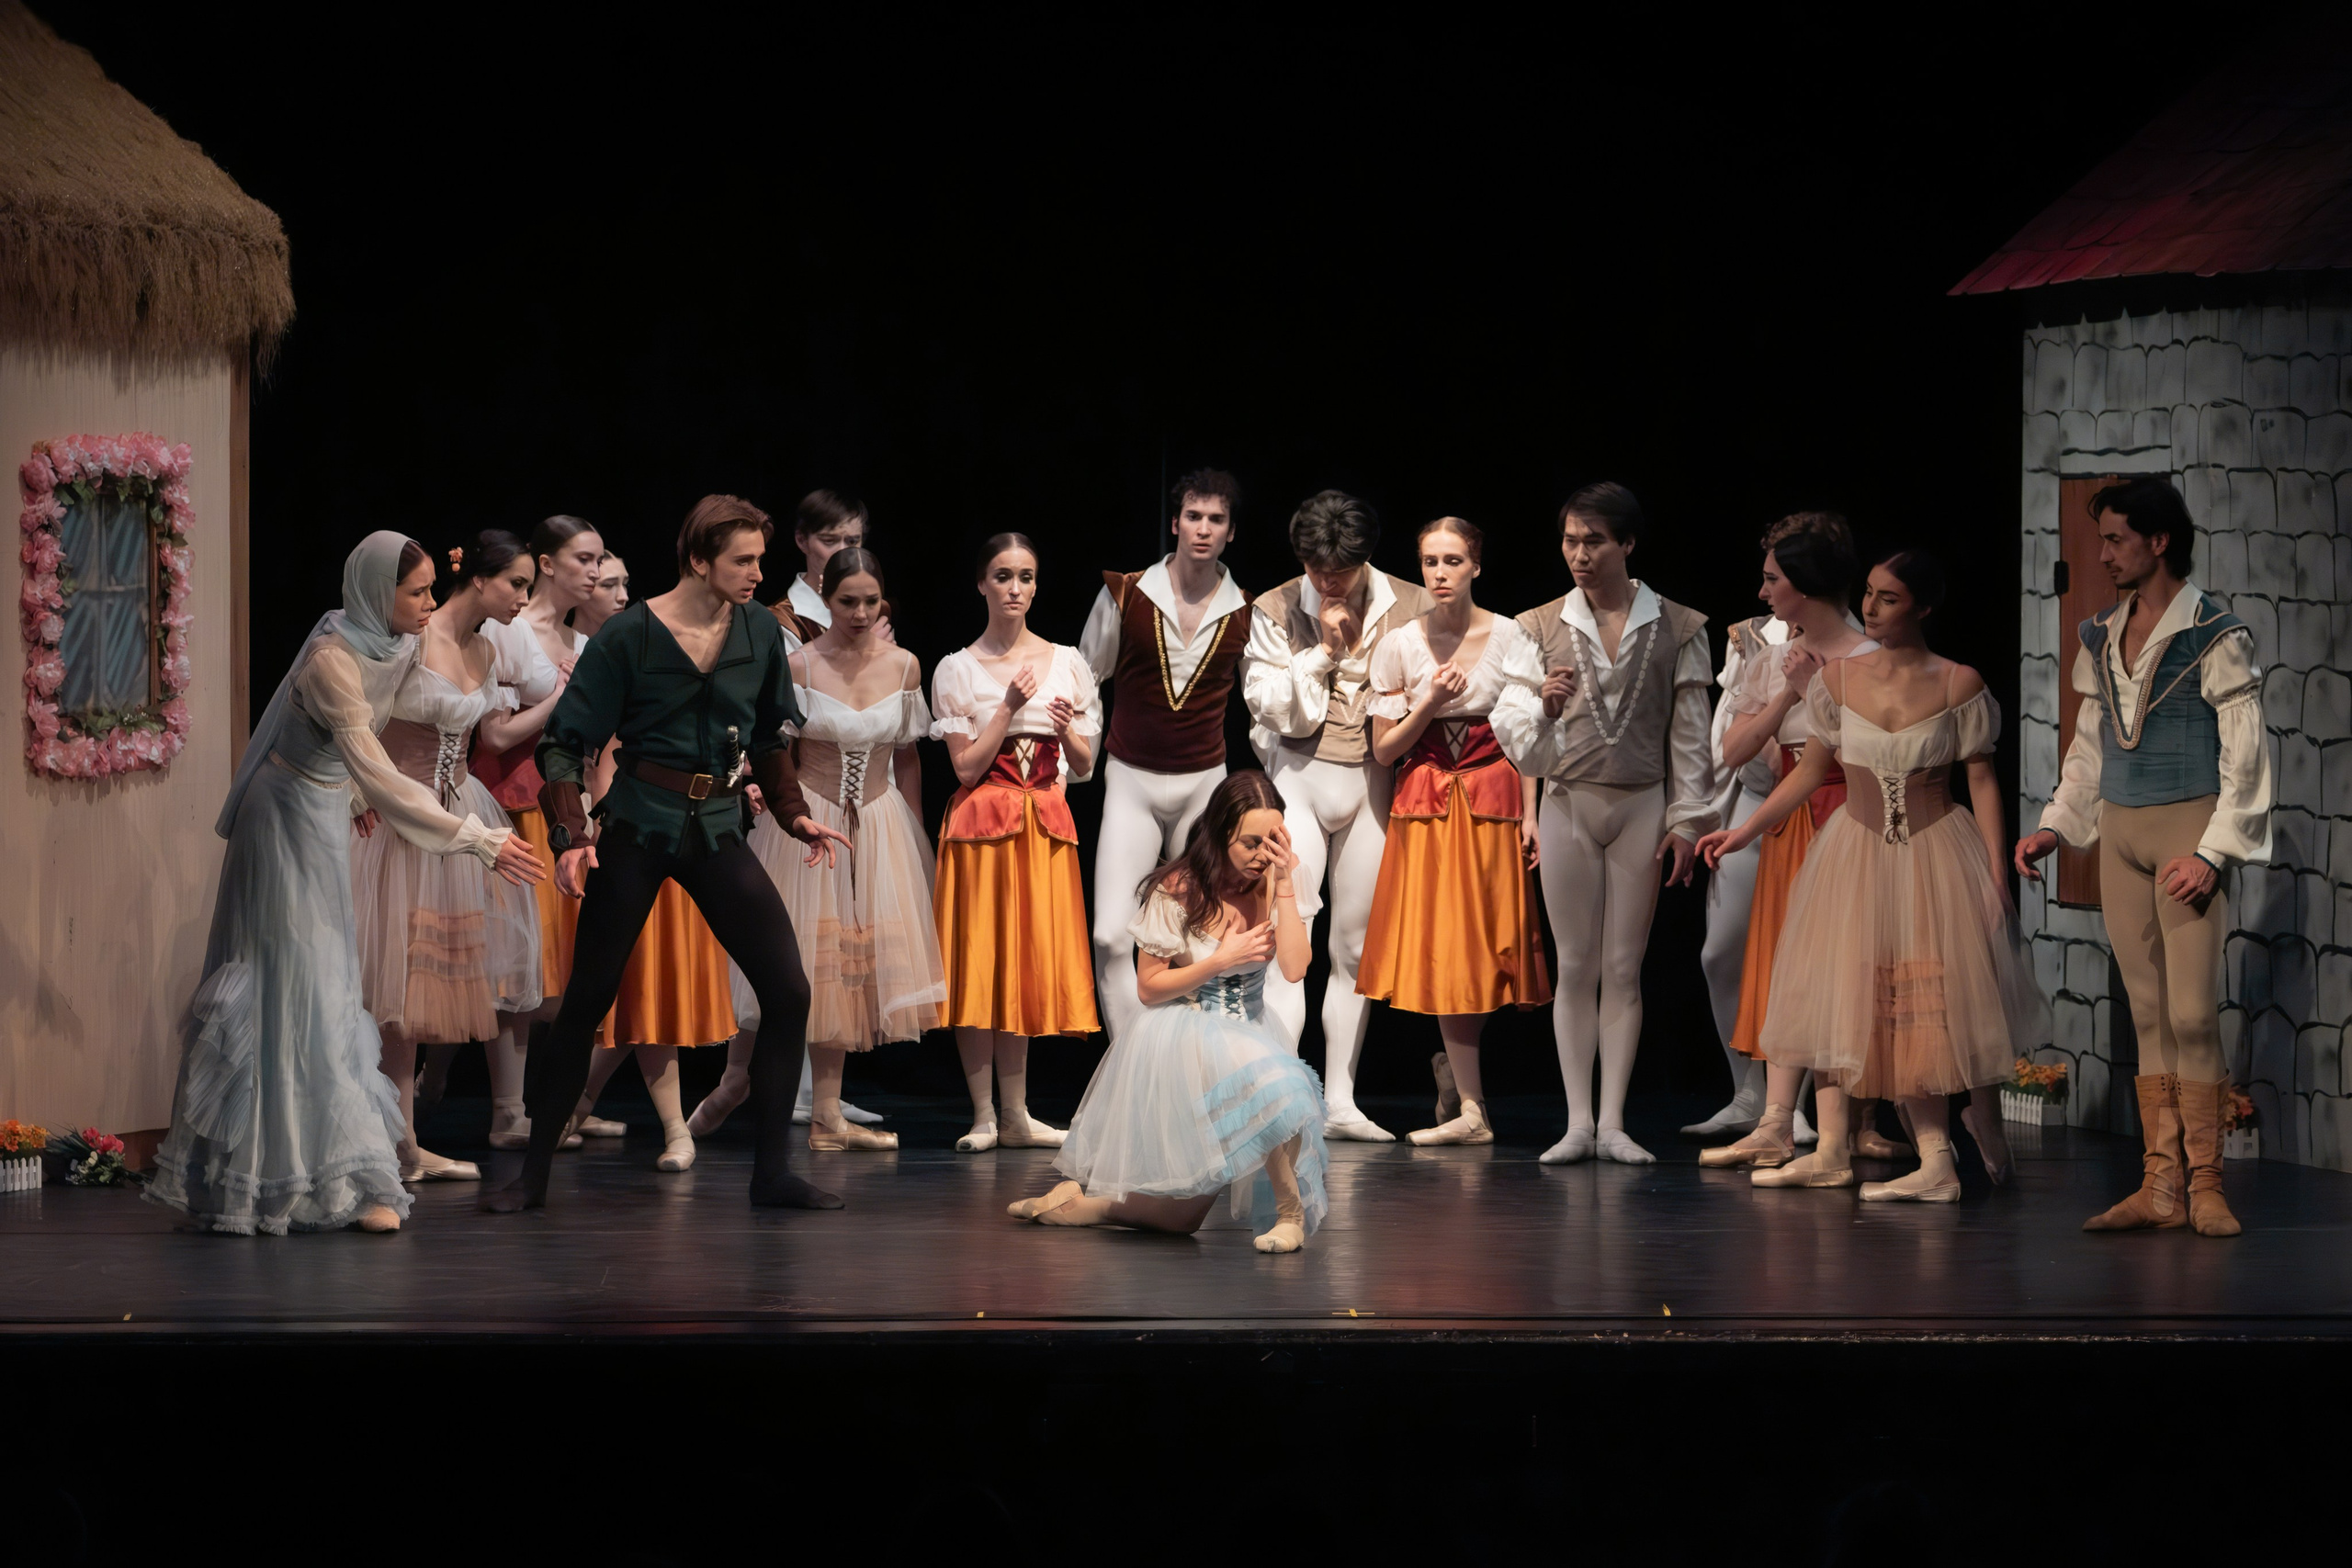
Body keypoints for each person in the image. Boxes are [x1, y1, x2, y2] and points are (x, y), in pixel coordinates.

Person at [148, 533, 545, 1235]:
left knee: (330, 982)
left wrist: (354, 802)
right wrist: (479, 839)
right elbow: (376, 763)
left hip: (328, 805)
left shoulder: (389, 645)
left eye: (429, 590)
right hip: (284, 816)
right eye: (416, 592)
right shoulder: (333, 659)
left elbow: (367, 760)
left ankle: (347, 1172)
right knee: (292, 979)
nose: (429, 604)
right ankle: (275, 1176)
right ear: (373, 593)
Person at [482, 497, 853, 1214]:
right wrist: (570, 836)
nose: (756, 573)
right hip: (640, 825)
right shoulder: (630, 635)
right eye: (742, 560)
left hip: (716, 826)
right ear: (698, 559)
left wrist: (795, 813)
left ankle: (771, 1173)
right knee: (587, 997)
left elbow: (773, 736)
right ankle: (531, 1176)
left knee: (788, 991)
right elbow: (565, 743)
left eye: (758, 559)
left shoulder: (755, 629)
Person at [1698, 551, 2038, 1199]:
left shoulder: (1956, 681)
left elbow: (1983, 778)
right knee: (1837, 990)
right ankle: (1829, 1148)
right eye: (1872, 595)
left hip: (1932, 851)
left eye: (1890, 598)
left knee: (1920, 1002)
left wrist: (1996, 871)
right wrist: (1744, 829)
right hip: (1854, 847)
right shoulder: (1839, 682)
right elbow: (1804, 771)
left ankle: (1938, 1158)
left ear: (1924, 607)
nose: (1874, 607)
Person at [2017, 478, 2272, 1237]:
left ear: (2160, 541)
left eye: (2118, 539)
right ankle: (2160, 1186)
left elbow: (2248, 757)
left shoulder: (2214, 635)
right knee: (2149, 1013)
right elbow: (2089, 750)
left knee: (2193, 1013)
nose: (2104, 555)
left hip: (2186, 831)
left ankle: (2207, 1184)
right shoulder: (2100, 634)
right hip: (2122, 837)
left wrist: (2214, 851)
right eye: (2101, 541)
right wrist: (2057, 826)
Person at [1008, 772, 1327, 1253]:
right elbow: (1150, 989)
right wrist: (1220, 960)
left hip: (1251, 1031)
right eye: (1251, 843)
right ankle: (1290, 1214)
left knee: (1180, 1220)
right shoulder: (1177, 889)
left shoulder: (1279, 878)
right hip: (1189, 1033)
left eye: (1274, 840)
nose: (1264, 853)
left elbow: (1297, 968)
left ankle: (1077, 1207)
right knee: (1274, 1089)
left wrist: (1284, 884)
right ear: (1221, 835)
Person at [1516, 484, 1716, 1165]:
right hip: (1568, 799)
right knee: (1575, 964)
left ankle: (1613, 1121)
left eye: (1594, 540)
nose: (1579, 553)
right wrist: (1541, 711)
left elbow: (1691, 737)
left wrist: (1689, 820)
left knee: (1624, 966)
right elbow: (1515, 732)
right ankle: (1576, 1120)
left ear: (1627, 544)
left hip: (1641, 803)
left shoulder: (1681, 625)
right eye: (1571, 539)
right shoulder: (1538, 623)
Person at [725, 547, 942, 1153]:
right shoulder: (800, 666)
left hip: (877, 821)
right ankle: (753, 1091)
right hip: (812, 818)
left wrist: (914, 831)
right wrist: (774, 802)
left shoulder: (904, 667)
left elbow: (907, 755)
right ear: (827, 597)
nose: (861, 612)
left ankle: (826, 1115)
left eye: (872, 601)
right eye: (848, 600)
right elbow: (777, 755)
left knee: (854, 964)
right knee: (809, 961)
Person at [351, 531, 548, 1186]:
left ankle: (404, 1141)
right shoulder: (413, 639)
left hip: (457, 810)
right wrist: (362, 797)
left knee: (419, 991)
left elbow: (488, 733)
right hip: (398, 823)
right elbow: (363, 727)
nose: (524, 597)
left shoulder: (486, 648)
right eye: (516, 583)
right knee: (390, 989)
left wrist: (556, 702)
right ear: (480, 578)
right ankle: (388, 1140)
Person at [1355, 516, 1555, 1145]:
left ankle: (1460, 1081)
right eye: (1430, 562)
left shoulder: (1510, 636)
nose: (1439, 574)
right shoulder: (1401, 644)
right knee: (1446, 952)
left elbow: (1524, 739)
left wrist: (1532, 813)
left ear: (1476, 566)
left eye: (1452, 561)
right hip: (1428, 806)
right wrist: (1430, 703)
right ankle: (1471, 1105)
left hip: (1491, 804)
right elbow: (1385, 751)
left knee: (1487, 951)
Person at [1241, 490, 1432, 1140]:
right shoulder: (1273, 607)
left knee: (1353, 945)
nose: (1326, 581)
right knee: (1288, 944)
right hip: (1299, 774)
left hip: (1373, 781)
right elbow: (1273, 707)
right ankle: (1282, 1091)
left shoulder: (1411, 605)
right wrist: (1322, 650)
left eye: (1340, 570)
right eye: (1316, 567)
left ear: (1366, 559)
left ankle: (1343, 1100)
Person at [1695, 517, 1882, 1171]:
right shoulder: (1769, 656)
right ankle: (1777, 1119)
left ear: (1802, 585)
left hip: (1846, 812)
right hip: (1785, 813)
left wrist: (1818, 693)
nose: (1763, 589)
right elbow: (1735, 749)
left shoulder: (1870, 658)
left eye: (1774, 578)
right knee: (1781, 966)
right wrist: (1787, 693)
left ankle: (1846, 1125)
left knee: (1843, 971)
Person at [564, 551, 739, 1173]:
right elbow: (600, 754)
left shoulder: (648, 643)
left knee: (651, 986)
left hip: (675, 831)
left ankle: (587, 1105)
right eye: (606, 582)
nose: (618, 593)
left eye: (622, 582)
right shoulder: (616, 649)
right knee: (629, 986)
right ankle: (664, 1123)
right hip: (624, 831)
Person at [930, 533, 1102, 1150]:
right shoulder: (957, 667)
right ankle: (983, 1114)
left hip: (1043, 825)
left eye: (1026, 577)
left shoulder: (1067, 661)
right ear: (982, 583)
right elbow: (965, 768)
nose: (1015, 589)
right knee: (981, 964)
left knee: (1025, 966)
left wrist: (1066, 731)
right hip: (982, 828)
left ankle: (1017, 1112)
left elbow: (1081, 764)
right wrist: (1005, 706)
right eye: (1003, 576)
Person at [1080, 469, 1256, 1044]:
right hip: (1131, 778)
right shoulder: (1127, 593)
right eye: (1194, 517)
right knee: (1110, 936)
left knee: (1200, 941)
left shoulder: (1245, 611)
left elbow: (1264, 706)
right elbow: (1085, 679)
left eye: (1217, 520)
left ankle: (1189, 1070)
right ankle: (1132, 1065)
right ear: (1175, 522)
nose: (1203, 530)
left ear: (1230, 532)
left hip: (1205, 786)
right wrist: (1075, 758)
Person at [466, 513, 604, 1150]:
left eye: (600, 560)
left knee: (554, 971)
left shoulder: (583, 645)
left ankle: (540, 1103)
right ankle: (505, 1109)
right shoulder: (510, 631)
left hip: (565, 808)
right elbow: (494, 735)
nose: (595, 572)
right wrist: (559, 706)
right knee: (516, 964)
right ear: (547, 564)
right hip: (514, 801)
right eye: (584, 559)